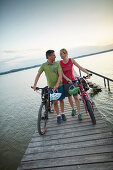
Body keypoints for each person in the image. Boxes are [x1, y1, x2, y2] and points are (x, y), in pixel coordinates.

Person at [32, 50, 66, 124]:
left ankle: (63, 113)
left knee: (61, 100)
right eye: (53, 55)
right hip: (51, 87)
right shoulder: (43, 65)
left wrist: (57, 84)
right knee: (55, 102)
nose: (55, 56)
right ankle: (58, 115)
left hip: (59, 85)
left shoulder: (57, 64)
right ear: (49, 57)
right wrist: (35, 85)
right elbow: (38, 75)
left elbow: (60, 75)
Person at [60, 48, 90, 120]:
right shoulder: (60, 63)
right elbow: (61, 73)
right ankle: (73, 109)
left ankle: (79, 113)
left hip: (73, 81)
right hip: (65, 82)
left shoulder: (71, 60)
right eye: (60, 54)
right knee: (69, 97)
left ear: (65, 53)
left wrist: (87, 73)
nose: (60, 55)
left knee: (76, 97)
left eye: (61, 54)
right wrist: (67, 79)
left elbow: (80, 67)